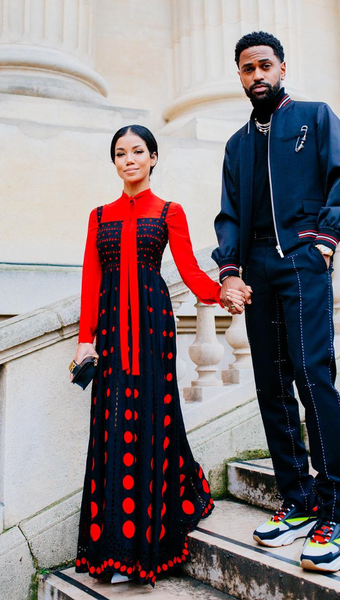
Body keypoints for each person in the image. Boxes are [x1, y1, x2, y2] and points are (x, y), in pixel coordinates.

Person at [212, 31, 340, 572]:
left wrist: (325, 241)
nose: (257, 75)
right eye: (247, 68)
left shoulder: (314, 117)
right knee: (271, 386)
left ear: (282, 68)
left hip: (302, 259)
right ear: (239, 75)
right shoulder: (237, 144)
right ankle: (298, 500)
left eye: (265, 66)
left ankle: (338, 513)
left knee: (312, 376)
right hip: (255, 272)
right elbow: (230, 214)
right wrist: (230, 271)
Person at [71, 124, 246, 586]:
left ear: (152, 157)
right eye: (120, 153)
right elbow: (91, 279)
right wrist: (85, 338)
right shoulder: (98, 216)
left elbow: (189, 270)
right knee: (111, 426)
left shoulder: (170, 211)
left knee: (152, 419)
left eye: (137, 151)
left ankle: (146, 543)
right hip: (112, 333)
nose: (128, 159)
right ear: (115, 162)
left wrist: (221, 293)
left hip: (152, 330)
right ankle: (112, 546)